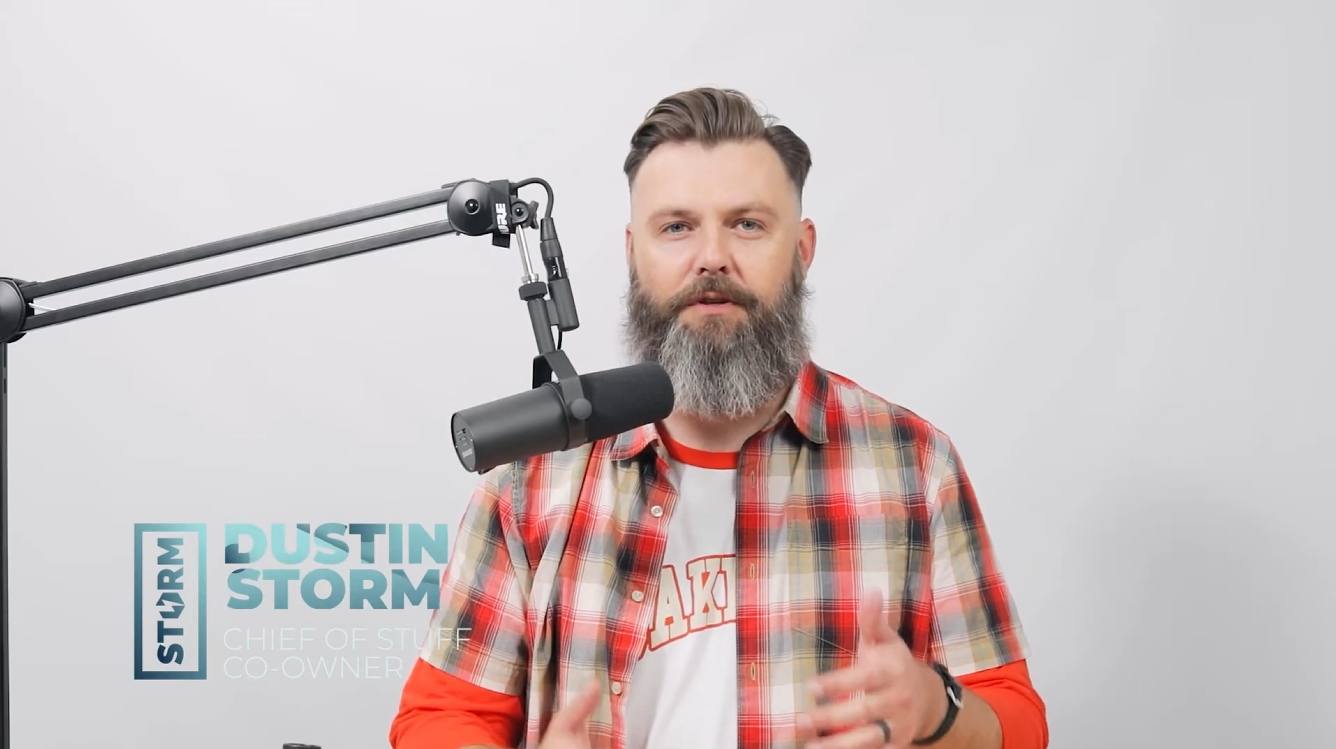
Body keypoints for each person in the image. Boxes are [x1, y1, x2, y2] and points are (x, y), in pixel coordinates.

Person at [388, 87, 1048, 749]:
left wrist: (941, 712)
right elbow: (441, 717)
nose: (711, 258)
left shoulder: (914, 465)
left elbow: (1018, 724)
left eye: (747, 224)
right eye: (677, 226)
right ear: (632, 252)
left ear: (802, 248)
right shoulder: (531, 476)